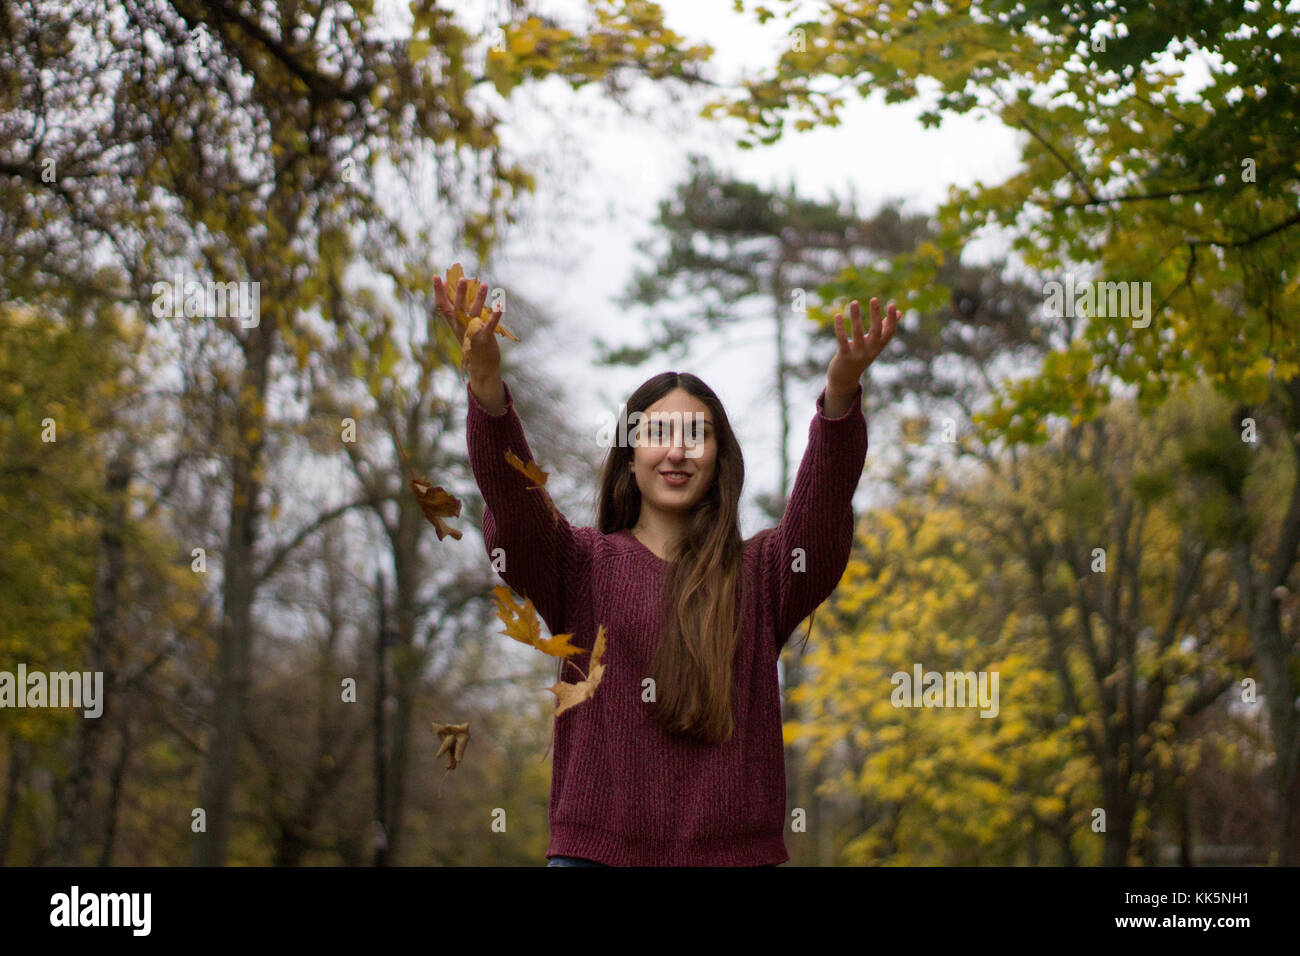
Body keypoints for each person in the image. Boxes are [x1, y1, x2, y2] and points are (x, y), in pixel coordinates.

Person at [435, 271, 898, 866]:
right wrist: (486, 382)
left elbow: (821, 516)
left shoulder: (761, 575)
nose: (677, 451)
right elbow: (517, 515)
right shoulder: (580, 566)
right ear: (630, 459)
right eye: (659, 433)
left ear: (718, 459)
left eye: (696, 435)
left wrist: (839, 393)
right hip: (592, 859)